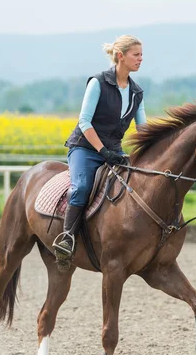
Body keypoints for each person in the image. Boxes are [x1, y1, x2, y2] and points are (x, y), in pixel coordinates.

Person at [53, 35, 147, 264]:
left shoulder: (137, 92)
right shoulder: (98, 82)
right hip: (85, 149)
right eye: (136, 55)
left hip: (115, 152)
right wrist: (103, 151)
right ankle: (67, 239)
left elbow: (143, 129)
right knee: (82, 186)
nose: (141, 59)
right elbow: (84, 122)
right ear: (121, 56)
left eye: (142, 55)